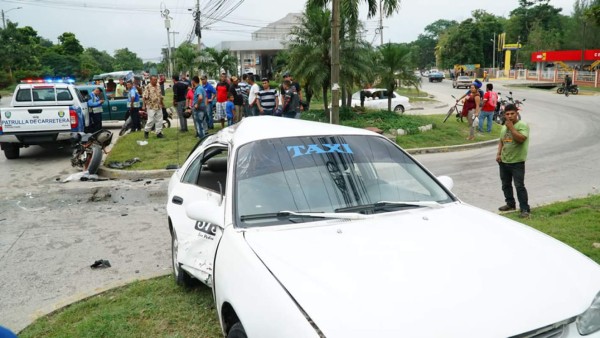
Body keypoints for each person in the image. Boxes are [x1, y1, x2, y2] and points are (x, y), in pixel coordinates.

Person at [496, 103, 530, 218]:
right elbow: (501, 140)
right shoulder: (504, 126)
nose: (510, 116)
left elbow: (521, 139)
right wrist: (498, 154)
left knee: (519, 186)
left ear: (517, 114)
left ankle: (525, 209)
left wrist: (511, 128)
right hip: (504, 161)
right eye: (507, 114)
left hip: (517, 162)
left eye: (512, 114)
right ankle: (510, 204)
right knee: (505, 185)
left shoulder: (522, 125)